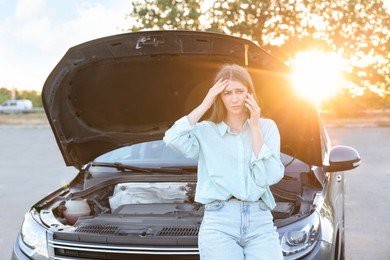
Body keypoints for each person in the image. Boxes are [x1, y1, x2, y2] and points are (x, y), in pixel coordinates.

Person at [163, 64, 284, 260]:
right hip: (219, 222)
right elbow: (171, 138)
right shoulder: (205, 131)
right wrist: (205, 103)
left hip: (260, 221)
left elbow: (269, 176)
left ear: (250, 93)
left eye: (240, 91)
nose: (234, 99)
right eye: (227, 93)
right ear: (219, 96)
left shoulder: (266, 127)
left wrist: (254, 127)